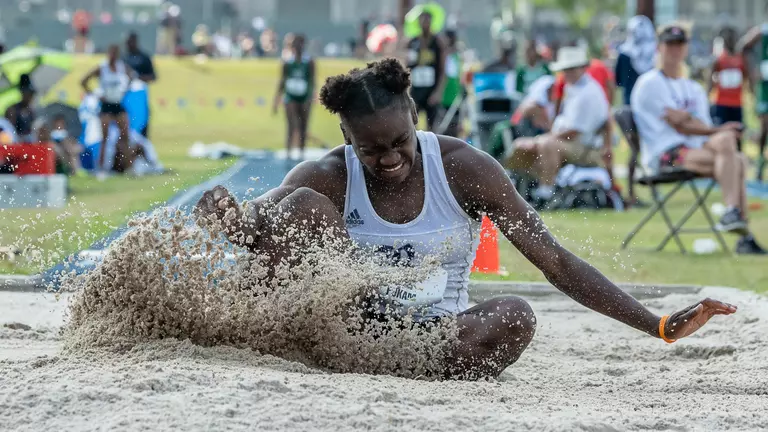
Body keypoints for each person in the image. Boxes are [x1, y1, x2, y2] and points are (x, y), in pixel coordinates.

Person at [194, 58, 737, 380]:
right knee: (299, 209)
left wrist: (657, 325)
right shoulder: (330, 173)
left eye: (399, 142)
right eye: (370, 150)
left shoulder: (465, 169)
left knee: (515, 316)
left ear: (415, 116)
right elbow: (259, 220)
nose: (389, 159)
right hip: (352, 328)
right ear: (346, 138)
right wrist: (226, 217)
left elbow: (553, 260)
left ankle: (379, 362)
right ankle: (338, 352)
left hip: (438, 335)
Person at [631, 23, 766, 255]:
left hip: (693, 149)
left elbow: (696, 125)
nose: (675, 50)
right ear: (659, 47)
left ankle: (732, 214)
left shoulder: (692, 87)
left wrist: (712, 130)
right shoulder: (649, 83)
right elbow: (680, 124)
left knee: (729, 144)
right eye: (670, 44)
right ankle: (742, 232)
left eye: (679, 44)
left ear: (686, 48)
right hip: (664, 155)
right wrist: (713, 129)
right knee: (736, 160)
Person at [504, 47, 610, 206]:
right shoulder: (574, 88)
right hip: (570, 142)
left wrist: (540, 139)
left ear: (583, 68)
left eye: (571, 69)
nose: (567, 73)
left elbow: (573, 132)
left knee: (547, 144)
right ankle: (517, 189)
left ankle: (545, 193)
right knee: (521, 146)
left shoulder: (589, 93)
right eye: (565, 69)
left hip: (586, 148)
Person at [81, 44, 139, 177]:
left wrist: (125, 89)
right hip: (106, 105)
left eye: (115, 53)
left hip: (118, 104)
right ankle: (101, 168)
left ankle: (129, 167)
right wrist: (95, 94)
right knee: (104, 137)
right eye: (112, 53)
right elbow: (83, 81)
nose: (113, 56)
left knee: (125, 136)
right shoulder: (102, 67)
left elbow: (133, 76)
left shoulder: (121, 66)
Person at [272, 34, 315, 160]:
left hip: (304, 96)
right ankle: (288, 152)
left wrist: (310, 97)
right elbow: (282, 80)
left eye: (300, 43)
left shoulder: (309, 62)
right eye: (295, 44)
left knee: (303, 125)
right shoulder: (287, 62)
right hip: (290, 96)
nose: (298, 46)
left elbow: (312, 80)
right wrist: (276, 100)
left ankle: (301, 153)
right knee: (291, 124)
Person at [404, 11, 446, 131]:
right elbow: (407, 68)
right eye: (422, 20)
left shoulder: (437, 42)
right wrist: (407, 91)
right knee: (412, 124)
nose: (424, 23)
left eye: (427, 20)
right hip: (416, 89)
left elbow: (443, 70)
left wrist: (438, 92)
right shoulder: (412, 42)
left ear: (431, 22)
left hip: (431, 89)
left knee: (431, 127)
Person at [737, 22, 768, 182]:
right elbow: (743, 46)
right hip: (765, 86)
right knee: (765, 127)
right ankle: (759, 166)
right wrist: (752, 70)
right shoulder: (763, 30)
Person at [709, 27, 750, 144]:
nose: (730, 41)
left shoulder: (741, 58)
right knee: (722, 133)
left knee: (738, 134)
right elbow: (711, 77)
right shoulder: (719, 58)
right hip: (721, 103)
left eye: (732, 38)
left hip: (737, 103)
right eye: (728, 39)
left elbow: (747, 75)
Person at [615, 15, 657, 106]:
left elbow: (619, 81)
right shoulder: (657, 55)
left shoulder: (624, 54)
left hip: (630, 102)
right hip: (651, 104)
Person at [123, 32, 157, 138]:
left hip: (139, 95)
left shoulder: (144, 57)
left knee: (141, 122)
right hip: (125, 95)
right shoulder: (123, 57)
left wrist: (137, 77)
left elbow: (153, 76)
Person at [439, 29, 463, 137]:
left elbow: (451, 74)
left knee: (452, 123)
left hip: (451, 91)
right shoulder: (449, 54)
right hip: (447, 92)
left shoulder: (452, 55)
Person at [5, 74, 37, 142]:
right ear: (22, 93)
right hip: (15, 144)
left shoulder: (31, 111)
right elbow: (8, 131)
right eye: (29, 94)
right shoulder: (12, 110)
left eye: (32, 94)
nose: (31, 97)